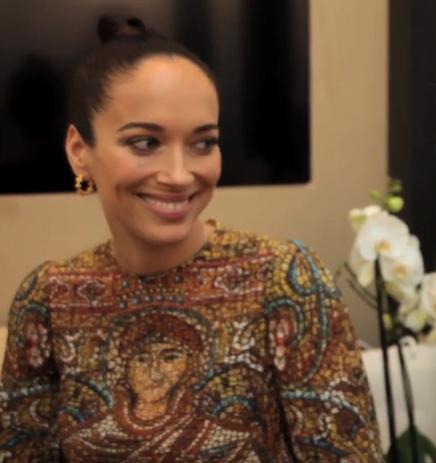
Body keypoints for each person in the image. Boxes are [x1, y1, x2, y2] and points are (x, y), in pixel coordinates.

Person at [0, 16, 381, 462]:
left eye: (203, 143)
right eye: (145, 143)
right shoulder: (48, 300)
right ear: (79, 151)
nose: (180, 175)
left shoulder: (284, 282)